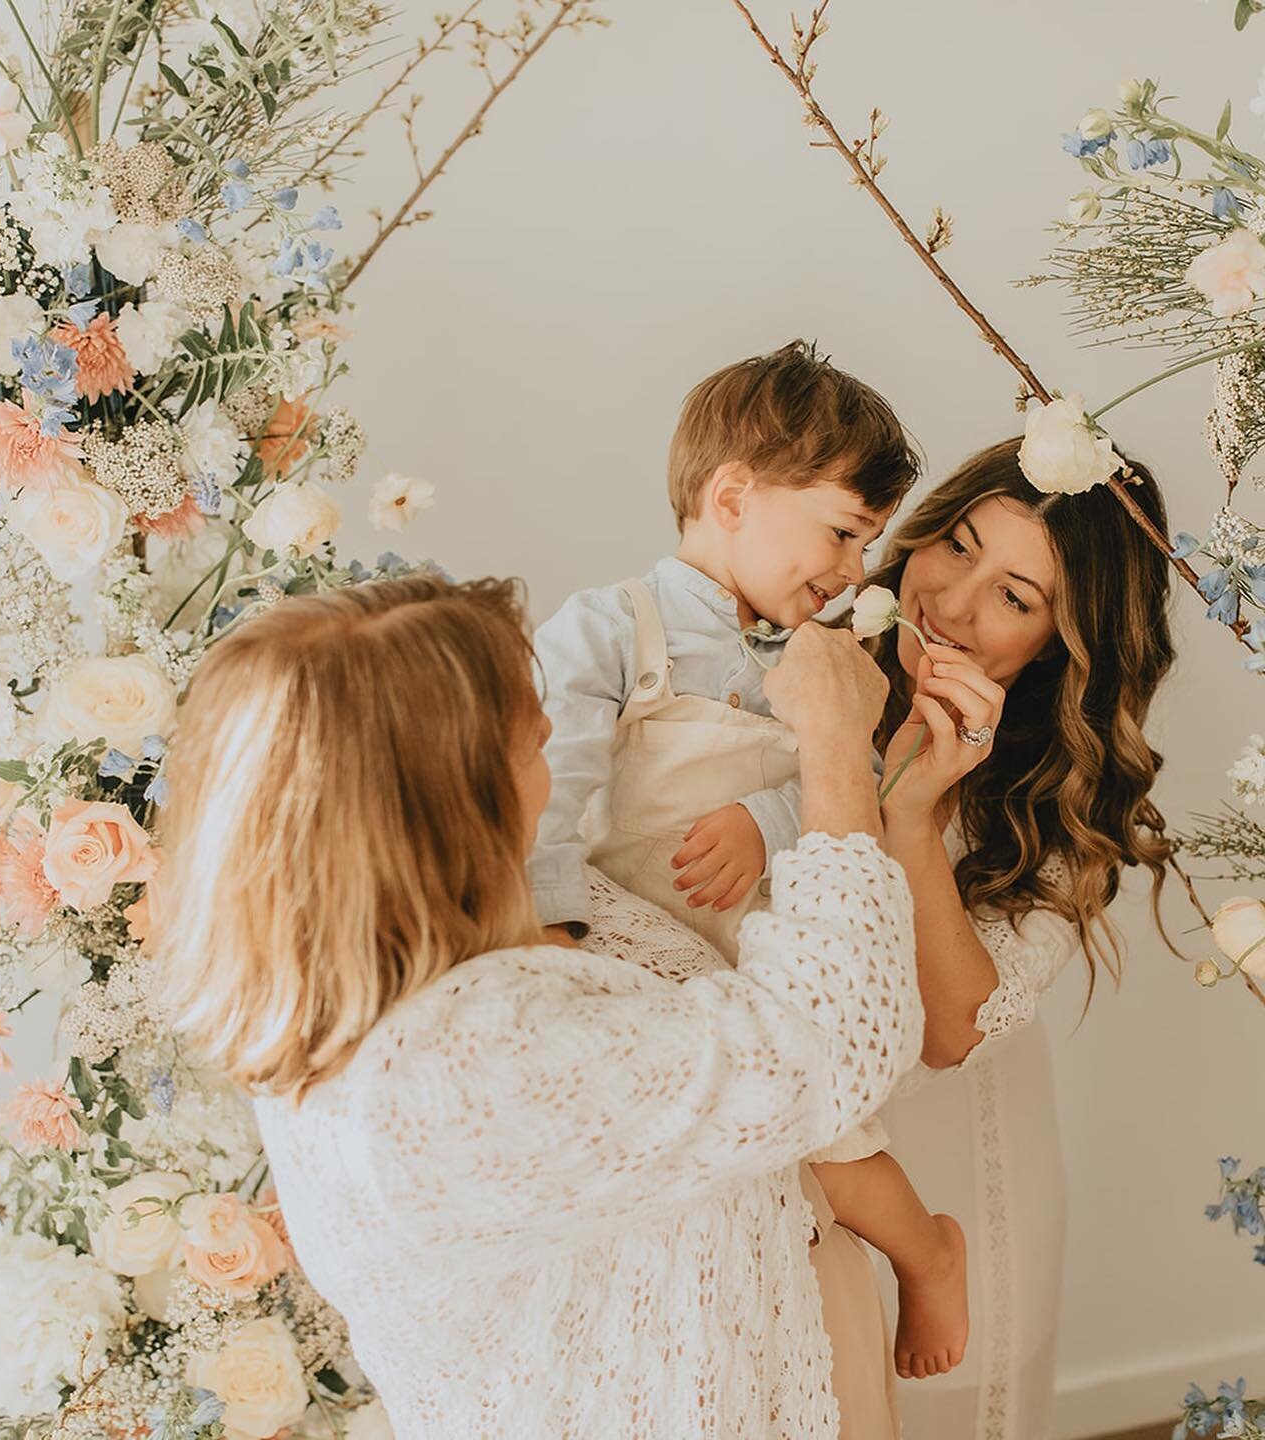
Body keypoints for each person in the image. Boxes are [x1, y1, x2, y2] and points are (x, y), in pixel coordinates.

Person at [157, 573, 921, 1439]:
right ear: (445, 806)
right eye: (528, 734)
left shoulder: (418, 971)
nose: (555, 730)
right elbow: (831, 1043)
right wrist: (831, 741)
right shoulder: (456, 1071)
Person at [529, 342, 967, 1382]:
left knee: (833, 1150)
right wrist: (548, 930)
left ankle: (926, 1252)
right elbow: (547, 786)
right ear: (732, 495)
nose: (855, 571)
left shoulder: (818, 652)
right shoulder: (614, 628)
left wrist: (762, 821)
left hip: (759, 956)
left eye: (867, 545)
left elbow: (847, 775)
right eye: (843, 532)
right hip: (629, 957)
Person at [860, 438, 1175, 1438]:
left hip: (951, 1156)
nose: (950, 604)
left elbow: (953, 1035)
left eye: (1014, 597)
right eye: (956, 545)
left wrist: (914, 817)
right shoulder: (797, 650)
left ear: (1060, 643)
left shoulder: (1054, 803)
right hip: (787, 1149)